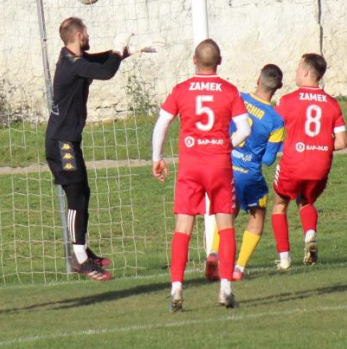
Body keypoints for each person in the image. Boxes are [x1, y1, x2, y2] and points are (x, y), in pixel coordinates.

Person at [45, 17, 152, 281]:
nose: (89, 36)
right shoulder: (71, 65)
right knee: (76, 197)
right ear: (79, 35)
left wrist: (129, 51)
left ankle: (82, 250)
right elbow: (106, 71)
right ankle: (80, 259)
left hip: (68, 140)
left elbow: (99, 62)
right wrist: (118, 46)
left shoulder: (75, 61)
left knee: (83, 192)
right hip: (61, 144)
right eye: (87, 33)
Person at [152, 39, 251, 312]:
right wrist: (226, 143)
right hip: (219, 166)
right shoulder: (229, 91)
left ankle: (176, 289)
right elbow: (244, 130)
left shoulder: (181, 90)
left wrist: (156, 158)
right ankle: (225, 289)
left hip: (190, 167)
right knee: (226, 225)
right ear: (219, 62)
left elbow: (162, 124)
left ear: (194, 61)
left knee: (183, 228)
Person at [205, 64, 285, 281]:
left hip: (225, 167)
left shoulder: (237, 98)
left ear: (258, 80)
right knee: (257, 214)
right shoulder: (276, 121)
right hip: (249, 174)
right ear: (279, 87)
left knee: (227, 212)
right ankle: (239, 268)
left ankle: (214, 252)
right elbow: (268, 161)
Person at [271, 53, 347, 271]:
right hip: (320, 164)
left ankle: (284, 259)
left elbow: (271, 128)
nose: (295, 72)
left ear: (306, 72)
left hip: (294, 162)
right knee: (305, 201)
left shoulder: (287, 101)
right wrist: (321, 145)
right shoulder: (332, 104)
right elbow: (342, 142)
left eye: (297, 68)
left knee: (279, 204)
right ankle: (310, 234)